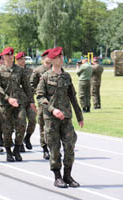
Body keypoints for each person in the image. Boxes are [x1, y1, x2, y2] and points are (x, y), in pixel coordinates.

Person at [37, 46, 83, 188]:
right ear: (51, 59)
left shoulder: (66, 76)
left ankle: (67, 176)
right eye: (58, 57)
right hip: (51, 119)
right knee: (54, 147)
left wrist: (79, 115)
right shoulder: (45, 77)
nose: (61, 58)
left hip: (66, 117)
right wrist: (52, 109)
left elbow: (73, 97)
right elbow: (40, 96)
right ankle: (57, 177)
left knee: (70, 146)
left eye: (62, 56)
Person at [0, 47, 36, 162]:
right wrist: (7, 98)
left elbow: (26, 86)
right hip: (5, 104)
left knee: (22, 125)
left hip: (19, 102)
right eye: (8, 55)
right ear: (4, 57)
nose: (10, 57)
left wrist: (31, 101)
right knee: (7, 129)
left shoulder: (19, 70)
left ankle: (17, 149)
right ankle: (8, 151)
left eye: (12, 55)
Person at [30, 49, 52, 160]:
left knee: (54, 126)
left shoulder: (55, 69)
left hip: (55, 102)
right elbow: (31, 85)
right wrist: (39, 93)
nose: (50, 58)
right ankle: (45, 148)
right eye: (47, 56)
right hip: (43, 103)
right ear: (43, 58)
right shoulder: (38, 70)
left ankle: (53, 147)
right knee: (43, 125)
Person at [15, 52, 37, 152]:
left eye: (24, 59)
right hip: (19, 101)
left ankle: (27, 138)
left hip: (29, 100)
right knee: (21, 123)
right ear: (17, 60)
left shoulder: (30, 71)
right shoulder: (14, 71)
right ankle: (19, 143)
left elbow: (34, 84)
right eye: (20, 59)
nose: (23, 61)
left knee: (33, 120)